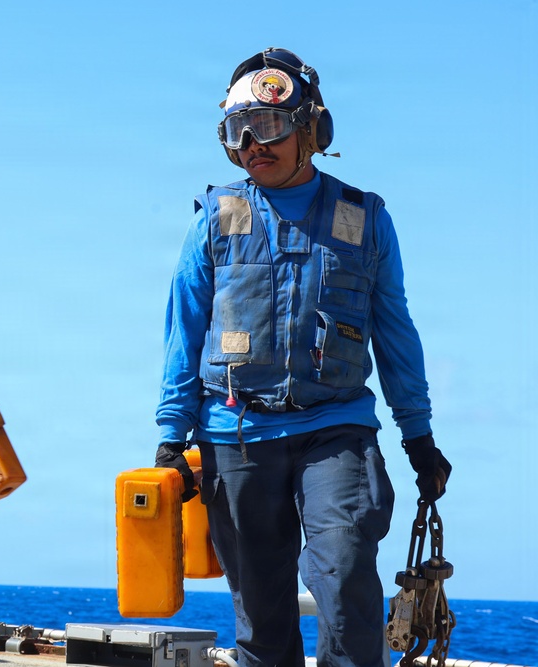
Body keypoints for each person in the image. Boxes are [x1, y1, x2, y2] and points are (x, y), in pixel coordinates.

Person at [154, 48, 452, 667]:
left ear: (311, 129)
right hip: (234, 433)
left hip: (335, 426)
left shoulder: (365, 220)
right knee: (261, 617)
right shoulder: (215, 218)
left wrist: (418, 437)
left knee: (343, 576)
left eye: (267, 127)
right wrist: (169, 435)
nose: (251, 145)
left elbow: (395, 333)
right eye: (236, 133)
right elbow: (183, 331)